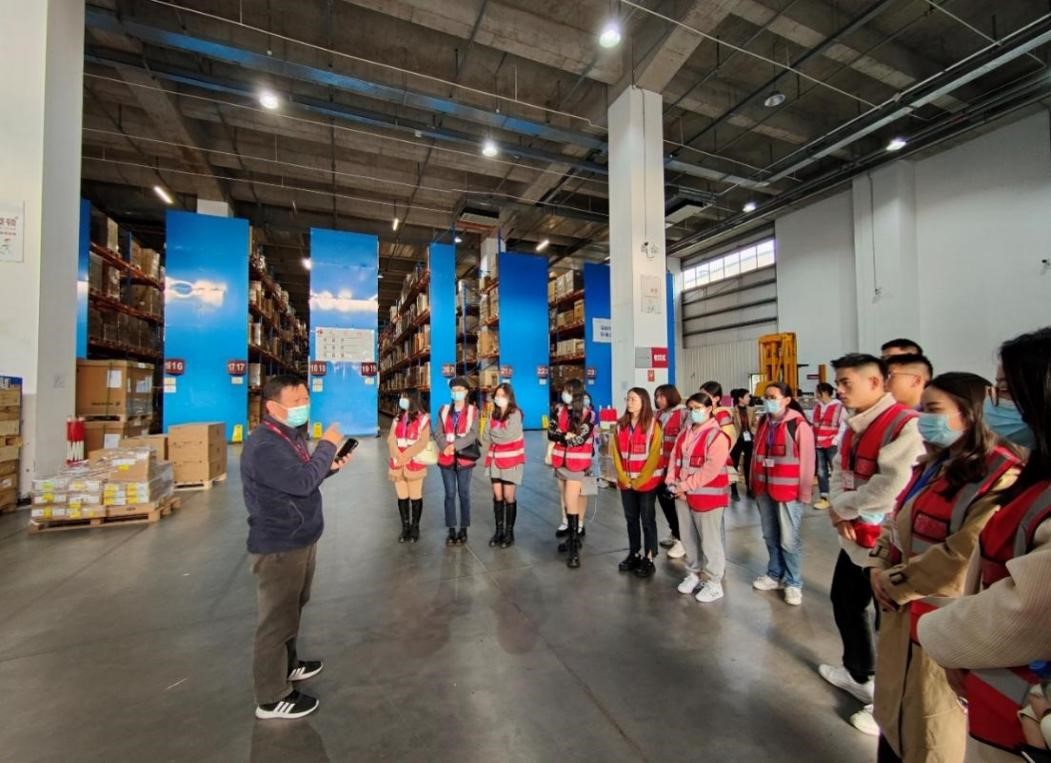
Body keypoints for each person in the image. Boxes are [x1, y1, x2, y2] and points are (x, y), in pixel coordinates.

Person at [863, 372, 1022, 758]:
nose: (922, 418)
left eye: (933, 410)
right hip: (899, 613)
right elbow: (896, 521)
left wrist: (893, 581)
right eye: (922, 409)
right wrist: (876, 565)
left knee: (929, 730)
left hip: (939, 621)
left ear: (970, 414)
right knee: (894, 722)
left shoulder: (1002, 477)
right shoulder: (933, 466)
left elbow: (962, 554)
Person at [918, 328, 1051, 763]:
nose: (996, 402)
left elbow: (1028, 606)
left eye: (1007, 391)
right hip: (996, 687)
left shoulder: (1003, 472)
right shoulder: (1034, 476)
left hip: (1024, 706)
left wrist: (940, 632)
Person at [241, 374, 354, 720]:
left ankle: (288, 665)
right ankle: (271, 697)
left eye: (306, 399)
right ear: (273, 407)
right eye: (296, 401)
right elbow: (303, 482)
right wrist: (328, 446)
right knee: (276, 620)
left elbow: (302, 476)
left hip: (300, 537)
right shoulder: (265, 445)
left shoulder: (288, 436)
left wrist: (328, 468)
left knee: (293, 607)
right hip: (280, 544)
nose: (304, 406)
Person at [819, 354, 925, 713]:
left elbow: (890, 486)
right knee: (846, 600)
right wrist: (839, 510)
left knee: (890, 618)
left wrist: (842, 508)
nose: (839, 390)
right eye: (838, 383)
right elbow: (838, 471)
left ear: (875, 383)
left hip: (887, 541)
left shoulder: (904, 425)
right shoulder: (854, 425)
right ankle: (860, 673)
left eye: (846, 383)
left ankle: (890, 701)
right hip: (853, 537)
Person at [749, 382, 816, 606]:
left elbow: (808, 462)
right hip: (764, 488)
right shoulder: (763, 422)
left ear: (786, 400)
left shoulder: (798, 425)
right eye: (766, 396)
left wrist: (804, 492)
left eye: (773, 396)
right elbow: (756, 453)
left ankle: (793, 582)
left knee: (788, 539)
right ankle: (774, 573)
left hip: (789, 491)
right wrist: (753, 482)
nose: (768, 400)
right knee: (770, 535)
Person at [665, 391, 732, 603]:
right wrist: (671, 481)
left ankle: (714, 582)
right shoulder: (685, 433)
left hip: (707, 497)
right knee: (688, 538)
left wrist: (684, 485)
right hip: (682, 495)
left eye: (698, 408)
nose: (694, 412)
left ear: (709, 409)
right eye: (691, 408)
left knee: (710, 541)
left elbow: (710, 469)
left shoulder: (717, 436)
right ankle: (694, 573)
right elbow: (675, 458)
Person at [611, 388, 664, 578]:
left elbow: (654, 455)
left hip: (647, 482)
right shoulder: (620, 425)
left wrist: (640, 480)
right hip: (626, 483)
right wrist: (624, 478)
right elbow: (615, 453)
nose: (629, 402)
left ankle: (649, 557)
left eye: (633, 399)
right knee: (631, 519)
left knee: (647, 519)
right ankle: (634, 552)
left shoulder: (653, 425)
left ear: (644, 402)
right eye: (628, 399)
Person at [548, 378, 596, 568]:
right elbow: (550, 433)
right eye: (563, 390)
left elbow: (580, 439)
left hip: (577, 465)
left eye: (568, 391)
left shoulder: (588, 414)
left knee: (571, 501)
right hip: (560, 462)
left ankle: (574, 550)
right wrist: (564, 435)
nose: (564, 394)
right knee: (566, 501)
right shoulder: (558, 410)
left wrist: (563, 436)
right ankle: (571, 538)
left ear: (576, 393)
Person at [435, 377, 480, 546]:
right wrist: (445, 447)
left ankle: (464, 528)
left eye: (460, 389)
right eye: (454, 390)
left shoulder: (473, 411)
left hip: (464, 459)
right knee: (449, 494)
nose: (456, 392)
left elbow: (473, 434)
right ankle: (451, 529)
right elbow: (438, 432)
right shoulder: (444, 410)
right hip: (446, 459)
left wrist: (454, 446)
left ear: (466, 392)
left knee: (464, 494)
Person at [480, 382, 525, 548]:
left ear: (509, 397)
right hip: (495, 461)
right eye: (497, 395)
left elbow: (508, 436)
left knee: (508, 496)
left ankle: (509, 533)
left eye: (502, 395)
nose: (499, 398)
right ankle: (499, 531)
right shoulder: (494, 414)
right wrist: (495, 433)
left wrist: (494, 433)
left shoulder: (515, 414)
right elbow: (485, 436)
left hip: (511, 461)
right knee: (497, 496)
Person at [387, 390, 431, 543]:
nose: (402, 400)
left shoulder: (423, 419)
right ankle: (405, 527)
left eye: (404, 397)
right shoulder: (397, 418)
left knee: (415, 496)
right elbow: (391, 439)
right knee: (402, 496)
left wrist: (405, 455)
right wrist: (398, 455)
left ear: (412, 399)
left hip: (414, 464)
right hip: (398, 464)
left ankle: (415, 527)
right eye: (402, 397)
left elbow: (423, 442)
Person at [654, 384, 687, 558]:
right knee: (664, 501)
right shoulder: (658, 415)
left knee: (675, 504)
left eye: (662, 396)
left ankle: (683, 540)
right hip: (660, 467)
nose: (658, 399)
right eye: (657, 396)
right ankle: (675, 532)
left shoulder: (684, 414)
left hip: (676, 469)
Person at [812, 382, 845, 510]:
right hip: (818, 444)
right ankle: (824, 498)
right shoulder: (817, 407)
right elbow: (814, 424)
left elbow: (843, 425)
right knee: (821, 472)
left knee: (836, 471)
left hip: (832, 444)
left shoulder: (839, 407)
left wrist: (835, 440)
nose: (816, 394)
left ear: (825, 392)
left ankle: (840, 497)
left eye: (817, 392)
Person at [729, 388, 756, 502]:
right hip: (737, 440)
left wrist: (752, 431)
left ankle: (749, 489)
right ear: (740, 398)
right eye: (747, 396)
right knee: (734, 465)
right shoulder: (732, 411)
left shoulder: (751, 410)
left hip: (748, 439)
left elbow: (754, 423)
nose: (749, 398)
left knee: (749, 464)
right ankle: (734, 491)